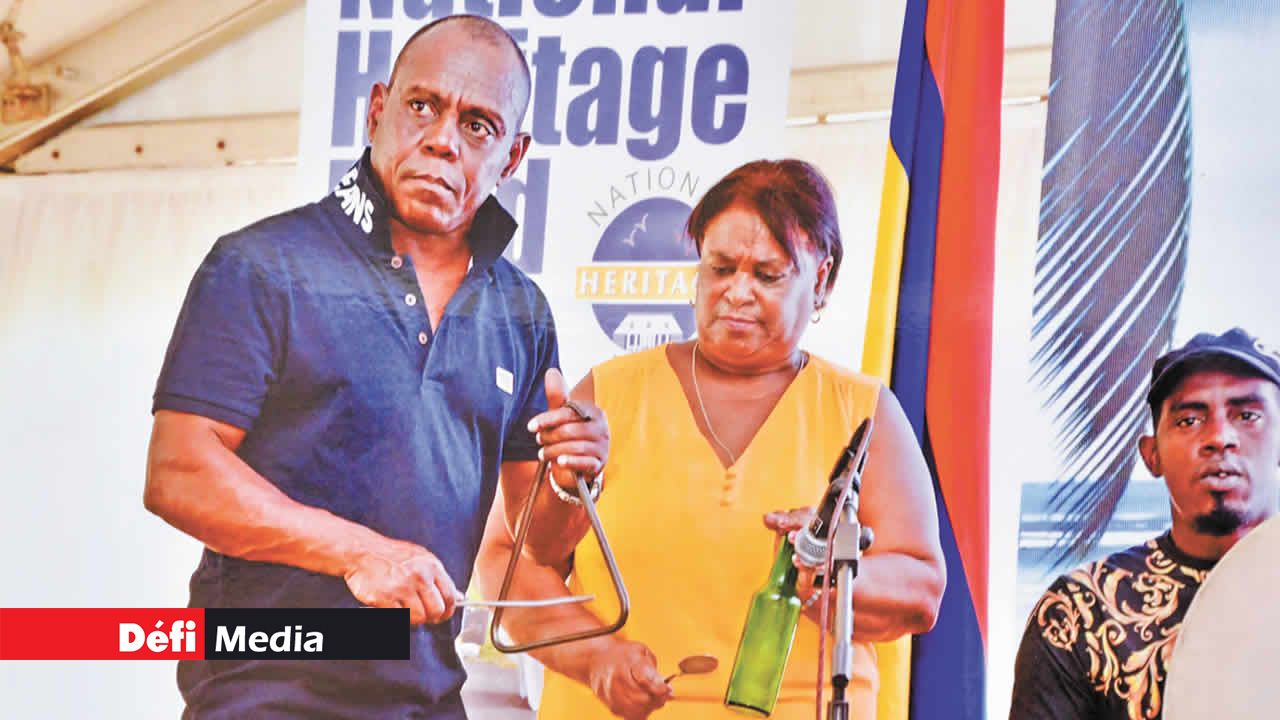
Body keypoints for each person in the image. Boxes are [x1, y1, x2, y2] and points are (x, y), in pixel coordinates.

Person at [143, 15, 609, 720]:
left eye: (478, 125)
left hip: (427, 696)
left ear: (512, 156)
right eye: (423, 106)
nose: (443, 139)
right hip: (265, 688)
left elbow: (536, 543)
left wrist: (572, 484)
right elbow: (178, 471)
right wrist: (356, 552)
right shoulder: (263, 265)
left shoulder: (523, 310)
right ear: (377, 110)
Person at [475, 159, 947, 720]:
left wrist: (834, 572)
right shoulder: (608, 392)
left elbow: (921, 590)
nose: (737, 293)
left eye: (768, 275)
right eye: (720, 268)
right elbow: (508, 563)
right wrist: (596, 657)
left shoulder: (863, 412)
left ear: (820, 280)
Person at [1008, 328, 1280, 720]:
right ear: (1151, 455)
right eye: (1188, 420)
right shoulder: (1081, 613)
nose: (1220, 437)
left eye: (1247, 415)